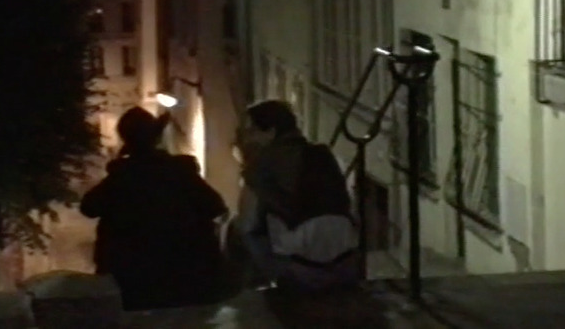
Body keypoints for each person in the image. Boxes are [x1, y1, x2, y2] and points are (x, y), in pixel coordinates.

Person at [80, 106, 228, 310]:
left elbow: (89, 208)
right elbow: (215, 206)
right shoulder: (181, 173)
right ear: (157, 138)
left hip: (134, 281)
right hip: (186, 276)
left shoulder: (120, 178)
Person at [232, 100, 359, 292]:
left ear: (270, 132)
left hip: (301, 266)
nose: (247, 138)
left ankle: (251, 292)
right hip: (345, 257)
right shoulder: (322, 154)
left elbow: (247, 224)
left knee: (239, 232)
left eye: (252, 131)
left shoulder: (262, 164)